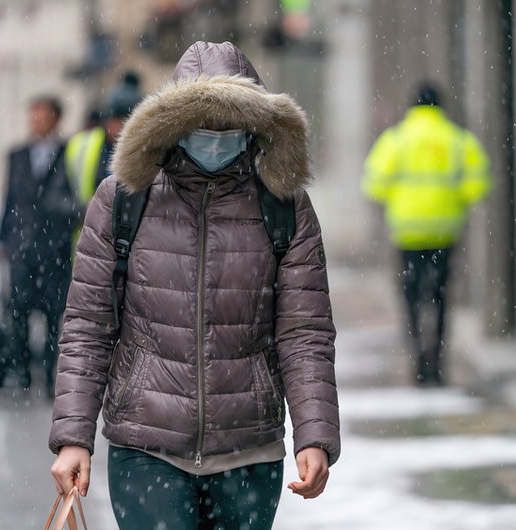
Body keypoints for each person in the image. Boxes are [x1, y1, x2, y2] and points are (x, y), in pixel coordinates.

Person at [49, 41, 340, 529]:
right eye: (201, 124)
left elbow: (305, 333)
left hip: (248, 451)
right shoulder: (124, 199)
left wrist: (314, 434)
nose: (215, 137)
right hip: (146, 448)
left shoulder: (283, 206)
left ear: (253, 126)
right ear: (173, 124)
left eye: (229, 125)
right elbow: (87, 326)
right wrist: (74, 436)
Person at [362, 81, 491, 386]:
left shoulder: (396, 139)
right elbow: (478, 186)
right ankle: (439, 359)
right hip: (444, 233)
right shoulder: (458, 139)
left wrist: (401, 197)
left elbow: (373, 184)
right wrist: (452, 197)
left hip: (407, 232)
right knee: (440, 295)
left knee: (411, 295)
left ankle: (418, 356)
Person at [0, 95, 80, 394]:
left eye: (41, 115)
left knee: (54, 315)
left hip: (54, 248)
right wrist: (0, 240)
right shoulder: (16, 155)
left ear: (56, 119)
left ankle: (48, 375)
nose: (35, 121)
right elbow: (8, 201)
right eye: (32, 115)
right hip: (21, 248)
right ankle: (23, 373)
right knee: (18, 313)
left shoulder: (69, 153)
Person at [65, 96, 140, 208]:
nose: (120, 126)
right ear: (106, 121)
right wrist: (83, 209)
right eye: (116, 120)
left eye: (126, 120)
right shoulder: (82, 144)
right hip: (86, 221)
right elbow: (60, 194)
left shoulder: (144, 149)